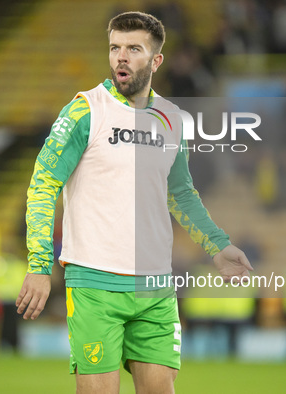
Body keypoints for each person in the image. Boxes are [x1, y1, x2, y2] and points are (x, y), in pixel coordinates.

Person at [16, 11, 252, 394]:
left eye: (133, 49)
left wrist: (218, 245)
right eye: (115, 48)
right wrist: (40, 264)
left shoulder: (172, 119)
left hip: (156, 287)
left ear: (156, 60)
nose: (120, 57)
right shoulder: (84, 111)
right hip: (95, 284)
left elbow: (181, 193)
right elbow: (42, 185)